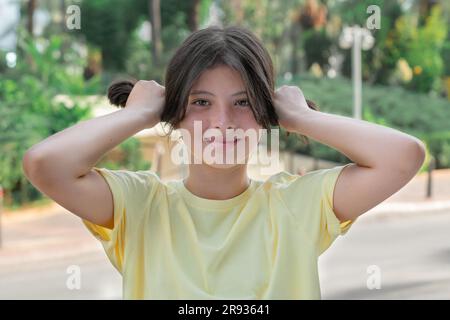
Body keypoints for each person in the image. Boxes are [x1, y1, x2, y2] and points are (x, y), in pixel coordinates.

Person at [22, 25, 426, 299]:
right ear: (175, 111)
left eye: (243, 103)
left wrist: (300, 116)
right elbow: (44, 164)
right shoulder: (138, 205)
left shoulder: (296, 205)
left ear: (266, 113)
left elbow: (404, 156)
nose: (222, 123)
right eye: (200, 102)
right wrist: (139, 113)